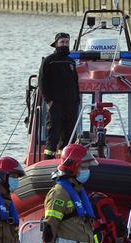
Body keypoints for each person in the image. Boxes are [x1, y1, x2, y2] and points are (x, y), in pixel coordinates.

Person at [38, 32, 80, 160]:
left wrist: (76, 100)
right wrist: (49, 100)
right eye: (62, 42)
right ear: (56, 44)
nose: (65, 44)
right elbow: (42, 82)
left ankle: (65, 158)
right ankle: (48, 159)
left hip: (71, 103)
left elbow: (75, 83)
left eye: (67, 42)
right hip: (56, 103)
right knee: (53, 133)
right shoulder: (49, 61)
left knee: (69, 134)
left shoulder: (71, 62)